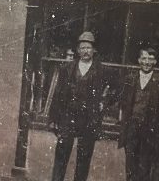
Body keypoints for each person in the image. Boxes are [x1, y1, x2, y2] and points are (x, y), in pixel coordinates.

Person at [48, 31, 114, 181]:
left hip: (88, 120)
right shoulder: (67, 68)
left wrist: (104, 102)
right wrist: (53, 118)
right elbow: (58, 95)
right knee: (61, 156)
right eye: (82, 48)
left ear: (94, 50)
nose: (85, 51)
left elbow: (118, 88)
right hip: (67, 118)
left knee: (83, 160)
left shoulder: (102, 70)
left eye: (89, 48)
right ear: (78, 50)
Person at [118, 47, 159, 181]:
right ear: (139, 60)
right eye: (144, 58)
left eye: (150, 59)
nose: (146, 62)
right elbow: (122, 101)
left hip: (150, 131)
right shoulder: (130, 78)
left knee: (145, 166)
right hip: (132, 129)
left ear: (155, 61)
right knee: (130, 165)